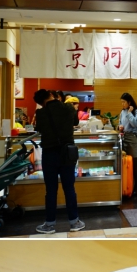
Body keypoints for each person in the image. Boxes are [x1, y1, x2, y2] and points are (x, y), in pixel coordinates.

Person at [33, 89, 84, 233]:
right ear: (52, 96)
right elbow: (75, 121)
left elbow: (39, 129)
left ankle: (49, 224)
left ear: (40, 103)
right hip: (67, 153)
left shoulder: (41, 113)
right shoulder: (68, 107)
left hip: (49, 154)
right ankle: (74, 222)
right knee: (69, 188)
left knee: (51, 190)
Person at [118, 93, 137, 197]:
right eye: (122, 102)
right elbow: (120, 123)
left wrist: (129, 113)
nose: (123, 104)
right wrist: (119, 127)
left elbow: (135, 124)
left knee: (134, 161)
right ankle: (126, 186)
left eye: (124, 102)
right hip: (124, 137)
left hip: (132, 137)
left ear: (129, 102)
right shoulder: (122, 112)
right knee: (124, 162)